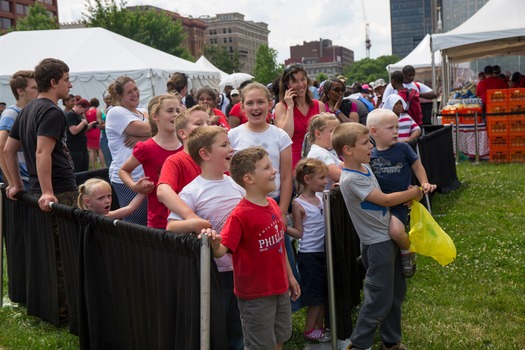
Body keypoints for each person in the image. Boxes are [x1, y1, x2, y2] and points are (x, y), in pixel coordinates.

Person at [331, 122, 423, 350]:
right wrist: (413, 192)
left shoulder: (364, 167)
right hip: (377, 245)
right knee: (378, 300)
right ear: (348, 150)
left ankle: (391, 342)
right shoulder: (352, 178)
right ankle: (358, 344)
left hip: (386, 239)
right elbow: (386, 200)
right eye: (365, 143)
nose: (371, 146)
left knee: (395, 295)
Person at [4, 58, 78, 325]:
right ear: (54, 82)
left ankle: (53, 309)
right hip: (56, 191)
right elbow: (41, 152)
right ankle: (64, 313)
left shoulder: (28, 109)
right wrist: (48, 192)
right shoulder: (52, 111)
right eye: (67, 79)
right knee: (62, 252)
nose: (70, 84)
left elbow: (8, 150)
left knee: (49, 252)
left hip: (38, 190)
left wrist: (16, 184)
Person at [204, 146, 301, 350]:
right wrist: (213, 242)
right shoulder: (241, 215)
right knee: (259, 344)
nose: (274, 171)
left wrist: (290, 277)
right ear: (249, 179)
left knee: (280, 337)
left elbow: (279, 248)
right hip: (255, 296)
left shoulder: (272, 205)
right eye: (266, 168)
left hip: (279, 287)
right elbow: (222, 250)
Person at [167, 126, 244, 350]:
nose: (232, 148)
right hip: (213, 273)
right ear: (205, 154)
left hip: (240, 268)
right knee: (215, 325)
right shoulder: (192, 191)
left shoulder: (236, 184)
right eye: (225, 145)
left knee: (239, 325)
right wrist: (199, 225)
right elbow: (171, 227)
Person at [366, 108, 436, 279]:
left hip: (400, 202)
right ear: (374, 131)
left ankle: (407, 252)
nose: (396, 131)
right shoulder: (369, 154)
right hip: (377, 204)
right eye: (391, 128)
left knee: (396, 232)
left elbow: (417, 166)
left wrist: (424, 182)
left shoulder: (403, 148)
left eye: (397, 127)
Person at [228, 82, 293, 220]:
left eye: (260, 102)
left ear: (270, 104)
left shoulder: (281, 136)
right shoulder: (232, 136)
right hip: (242, 204)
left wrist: (282, 211)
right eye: (250, 103)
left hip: (273, 202)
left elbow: (286, 177)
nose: (255, 107)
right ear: (242, 107)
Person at [119, 94, 183, 229]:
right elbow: (124, 170)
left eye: (178, 110)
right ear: (155, 116)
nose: (176, 114)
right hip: (159, 219)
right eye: (170, 110)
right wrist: (134, 186)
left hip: (187, 216)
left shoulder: (187, 144)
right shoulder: (146, 147)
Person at [286, 158, 331, 343]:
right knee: (315, 294)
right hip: (309, 255)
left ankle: (319, 327)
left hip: (323, 252)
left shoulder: (322, 197)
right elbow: (298, 233)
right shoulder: (299, 204)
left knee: (322, 291)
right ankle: (309, 328)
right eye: (321, 178)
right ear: (307, 179)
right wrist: (283, 228)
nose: (325, 181)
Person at [106, 76, 153, 225]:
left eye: (135, 89)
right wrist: (150, 133)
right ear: (119, 96)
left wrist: (143, 139)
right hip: (128, 177)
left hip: (146, 175)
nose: (134, 94)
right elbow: (153, 127)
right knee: (135, 221)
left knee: (148, 221)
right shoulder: (116, 112)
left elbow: (164, 129)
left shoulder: (143, 111)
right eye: (129, 92)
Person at [156, 105, 212, 228]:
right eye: (199, 123)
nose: (207, 127)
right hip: (187, 232)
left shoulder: (216, 158)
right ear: (182, 133)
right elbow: (162, 191)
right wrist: (191, 217)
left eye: (209, 123)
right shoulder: (176, 161)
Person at [274, 63, 325, 168]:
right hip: (294, 164)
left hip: (318, 161)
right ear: (287, 85)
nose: (301, 84)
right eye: (295, 81)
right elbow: (286, 136)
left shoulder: (319, 105)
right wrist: (290, 107)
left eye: (303, 79)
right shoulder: (281, 107)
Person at [0, 70, 39, 189]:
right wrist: (13, 182)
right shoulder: (11, 113)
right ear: (20, 91)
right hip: (24, 180)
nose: (38, 91)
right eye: (34, 88)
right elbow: (2, 146)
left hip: (31, 177)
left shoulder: (30, 112)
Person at [77, 178, 151, 219]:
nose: (107, 201)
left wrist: (143, 191)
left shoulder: (108, 215)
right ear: (88, 202)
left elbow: (130, 208)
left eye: (109, 196)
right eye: (101, 198)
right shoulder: (82, 218)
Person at [305, 113, 342, 190]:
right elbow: (336, 174)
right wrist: (357, 175)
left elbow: (343, 165)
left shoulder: (328, 151)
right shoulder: (319, 153)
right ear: (318, 134)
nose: (337, 135)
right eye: (332, 131)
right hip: (323, 200)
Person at [66, 98, 97, 172]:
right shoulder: (70, 114)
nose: (84, 113)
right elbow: (74, 131)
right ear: (80, 106)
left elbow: (83, 130)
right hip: (74, 148)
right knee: (77, 170)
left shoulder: (80, 115)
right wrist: (83, 123)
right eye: (85, 110)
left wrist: (91, 124)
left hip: (83, 147)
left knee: (84, 169)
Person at [85, 98, 105, 169]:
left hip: (89, 131)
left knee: (91, 150)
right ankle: (103, 167)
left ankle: (93, 167)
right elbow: (98, 121)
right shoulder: (97, 111)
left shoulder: (86, 111)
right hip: (96, 130)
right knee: (100, 149)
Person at [99, 91, 113, 168]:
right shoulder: (101, 111)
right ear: (104, 100)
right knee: (108, 161)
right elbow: (99, 126)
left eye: (110, 98)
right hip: (105, 137)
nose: (109, 100)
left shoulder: (116, 109)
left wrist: (105, 124)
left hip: (114, 136)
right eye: (107, 99)